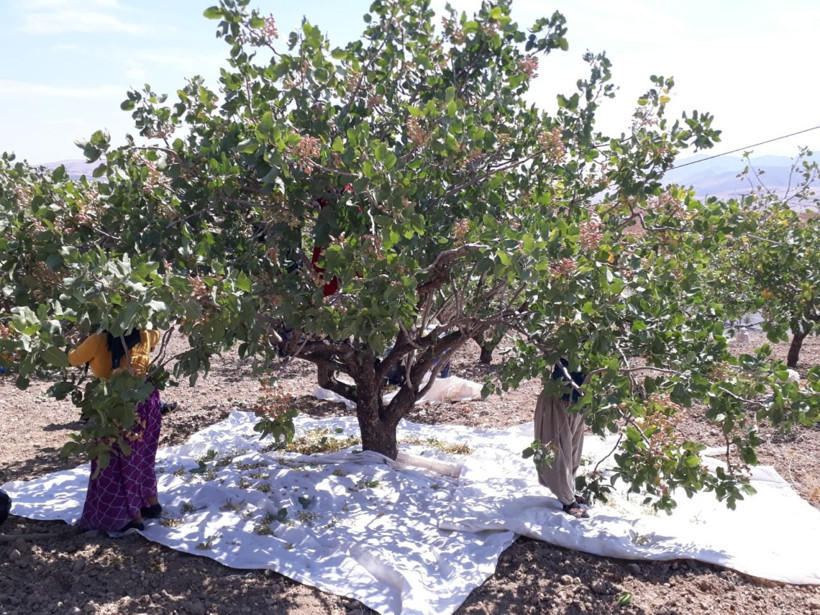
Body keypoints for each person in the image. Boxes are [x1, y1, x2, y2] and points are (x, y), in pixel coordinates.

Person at [68, 329, 162, 532]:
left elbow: (72, 359)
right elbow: (157, 337)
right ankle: (150, 504)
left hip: (112, 405)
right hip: (146, 401)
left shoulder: (97, 340)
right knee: (142, 456)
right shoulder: (144, 333)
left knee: (112, 463)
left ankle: (129, 517)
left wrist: (76, 341)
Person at [534, 359, 590, 519]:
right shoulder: (569, 336)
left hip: (579, 402)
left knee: (573, 450)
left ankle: (568, 491)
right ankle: (568, 500)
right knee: (555, 450)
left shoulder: (600, 338)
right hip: (558, 399)